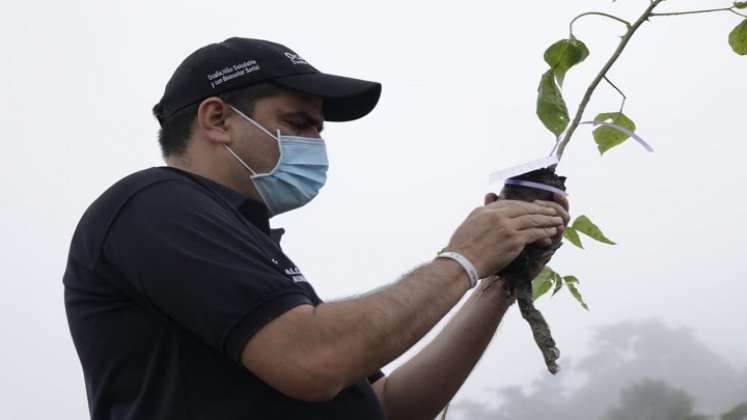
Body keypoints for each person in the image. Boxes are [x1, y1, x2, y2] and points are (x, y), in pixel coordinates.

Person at [63, 37, 569, 420]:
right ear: (217, 119)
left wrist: (498, 281)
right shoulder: (153, 206)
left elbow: (387, 405)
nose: (316, 144)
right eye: (299, 123)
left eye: (318, 130)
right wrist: (464, 258)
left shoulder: (246, 240)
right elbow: (315, 361)